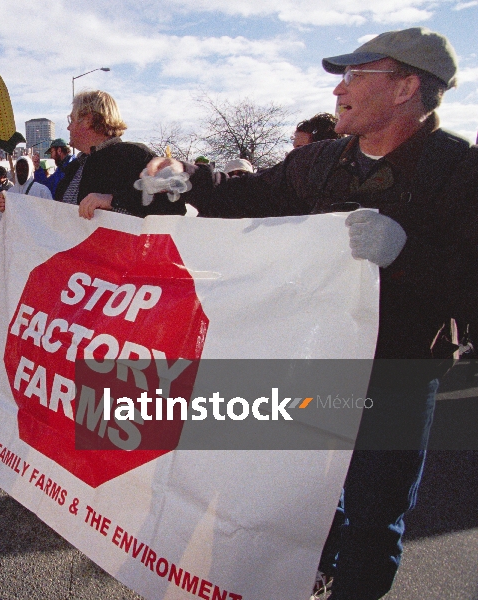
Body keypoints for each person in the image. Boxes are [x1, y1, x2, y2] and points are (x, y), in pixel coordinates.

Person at [135, 27, 477, 600]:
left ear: (405, 88)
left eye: (354, 75)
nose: (338, 89)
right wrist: (177, 181)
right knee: (305, 496)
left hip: (398, 373)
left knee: (376, 513)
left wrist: (407, 255)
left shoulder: (462, 171)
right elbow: (244, 198)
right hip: (314, 360)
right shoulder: (319, 162)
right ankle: (313, 575)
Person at [48, 90, 169, 218]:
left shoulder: (134, 157)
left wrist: (114, 200)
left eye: (71, 120)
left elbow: (170, 203)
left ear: (88, 120)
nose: (68, 128)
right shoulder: (74, 168)